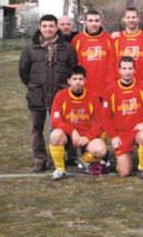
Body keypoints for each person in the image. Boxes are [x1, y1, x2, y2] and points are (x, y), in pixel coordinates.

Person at [19, 14, 77, 172]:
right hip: (37, 94)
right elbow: (23, 72)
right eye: (44, 26)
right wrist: (34, 86)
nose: (48, 29)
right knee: (36, 128)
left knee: (59, 129)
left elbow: (73, 70)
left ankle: (55, 158)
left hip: (59, 95)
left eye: (51, 26)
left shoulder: (67, 48)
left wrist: (65, 88)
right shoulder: (30, 48)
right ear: (40, 27)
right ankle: (39, 159)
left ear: (56, 27)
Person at [48, 66, 107, 180]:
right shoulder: (60, 96)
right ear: (69, 81)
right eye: (74, 79)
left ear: (85, 80)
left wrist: (88, 137)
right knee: (55, 135)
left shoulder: (93, 97)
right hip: (68, 136)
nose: (77, 82)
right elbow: (55, 121)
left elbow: (100, 123)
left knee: (101, 150)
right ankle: (60, 169)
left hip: (85, 136)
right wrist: (72, 131)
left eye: (80, 79)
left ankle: (83, 161)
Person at [102, 56, 143, 179]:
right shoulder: (110, 90)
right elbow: (105, 117)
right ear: (119, 71)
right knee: (124, 173)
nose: (127, 72)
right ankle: (122, 160)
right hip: (121, 134)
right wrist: (113, 136)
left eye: (130, 68)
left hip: (137, 130)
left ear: (134, 70)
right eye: (124, 68)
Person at [71, 10, 111, 97]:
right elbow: (72, 65)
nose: (94, 24)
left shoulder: (109, 39)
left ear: (101, 22)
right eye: (90, 20)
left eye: (97, 20)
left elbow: (114, 65)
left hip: (105, 90)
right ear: (85, 22)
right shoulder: (77, 40)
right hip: (83, 90)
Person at [109, 7, 143, 83]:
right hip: (121, 85)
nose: (131, 20)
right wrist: (113, 83)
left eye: (134, 17)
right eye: (128, 17)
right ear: (124, 19)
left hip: (142, 84)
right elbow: (112, 64)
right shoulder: (117, 38)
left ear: (138, 19)